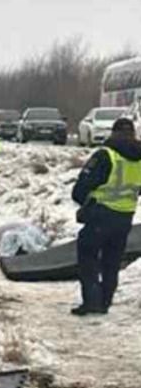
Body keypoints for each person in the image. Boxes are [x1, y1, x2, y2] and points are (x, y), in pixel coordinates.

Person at [70, 117, 141, 315]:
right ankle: (105, 301)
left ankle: (92, 301)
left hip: (101, 213)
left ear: (113, 132)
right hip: (126, 216)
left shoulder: (106, 155)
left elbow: (82, 187)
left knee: (88, 255)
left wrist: (83, 201)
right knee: (112, 261)